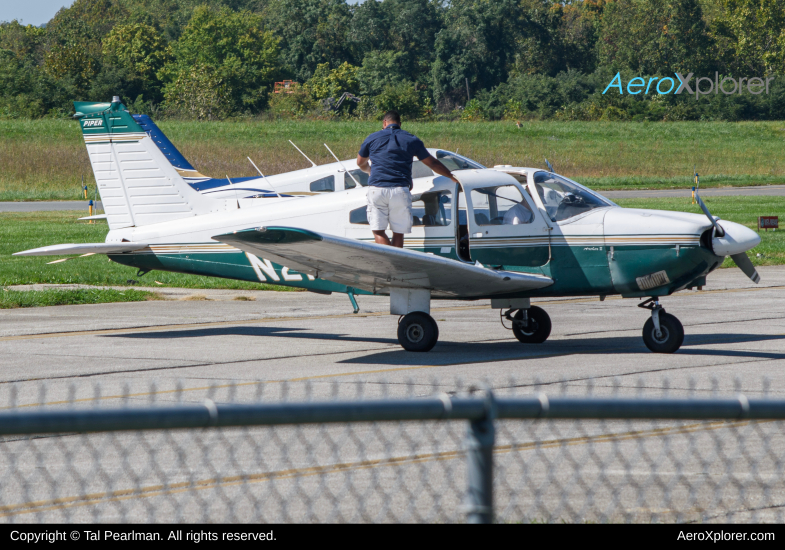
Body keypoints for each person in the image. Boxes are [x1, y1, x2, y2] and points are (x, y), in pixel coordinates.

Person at [357, 110, 459, 248]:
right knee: (398, 233)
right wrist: (451, 176)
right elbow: (433, 163)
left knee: (378, 232)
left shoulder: (372, 138)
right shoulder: (412, 139)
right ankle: (396, 264)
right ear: (400, 124)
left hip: (377, 189)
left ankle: (389, 264)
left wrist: (369, 170)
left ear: (384, 123)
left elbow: (360, 162)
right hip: (400, 190)